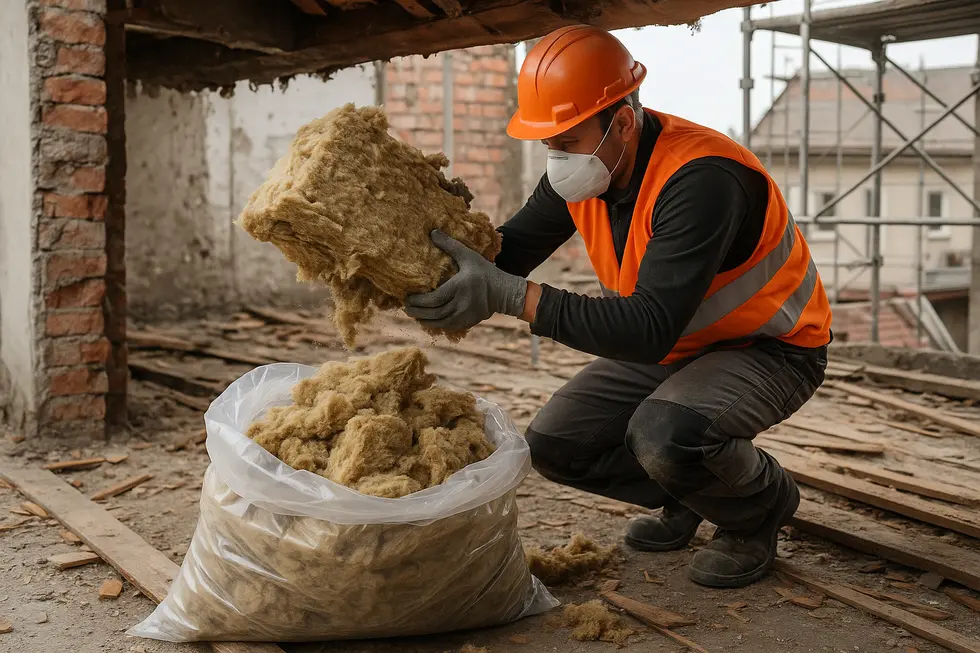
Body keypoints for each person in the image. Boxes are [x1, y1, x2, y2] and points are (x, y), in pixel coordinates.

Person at [405, 25, 832, 589]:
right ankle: (693, 492)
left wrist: (509, 297)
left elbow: (647, 329)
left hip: (770, 347)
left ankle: (757, 511)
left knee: (664, 433)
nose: (555, 158)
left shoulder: (702, 179)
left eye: (568, 140)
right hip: (681, 342)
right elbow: (509, 254)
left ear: (623, 122)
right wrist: (435, 244)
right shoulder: (587, 172)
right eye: (547, 143)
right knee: (558, 446)